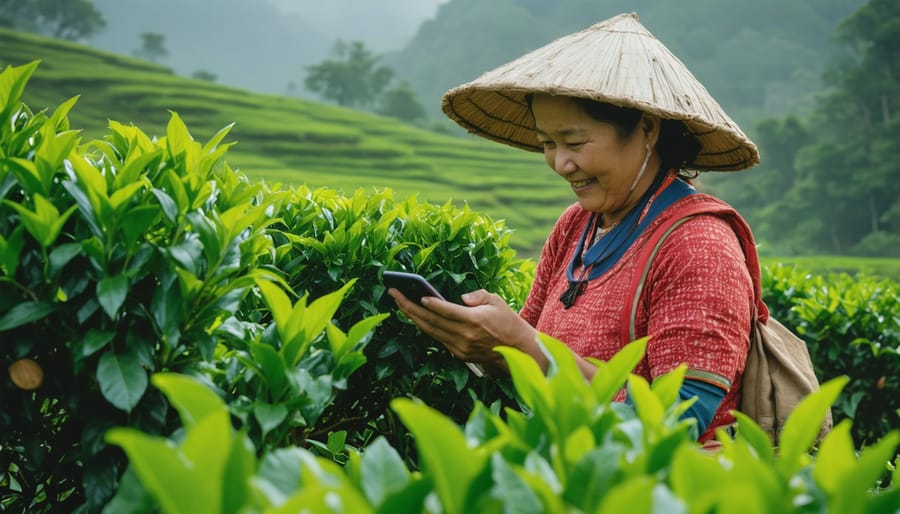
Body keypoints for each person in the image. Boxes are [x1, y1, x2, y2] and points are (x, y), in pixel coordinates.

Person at [387, 12, 761, 443]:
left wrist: (528, 347)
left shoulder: (699, 245)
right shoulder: (576, 226)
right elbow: (529, 352)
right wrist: (488, 342)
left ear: (647, 129)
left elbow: (677, 421)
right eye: (548, 143)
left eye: (576, 142)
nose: (561, 164)